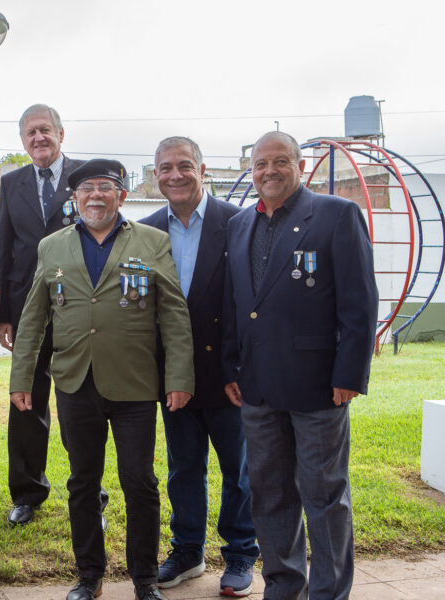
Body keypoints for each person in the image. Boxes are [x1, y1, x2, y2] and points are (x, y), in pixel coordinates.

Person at [9, 159, 194, 600]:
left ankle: (145, 580)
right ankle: (89, 576)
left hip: (134, 385)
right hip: (74, 383)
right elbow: (33, 318)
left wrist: (179, 376)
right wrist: (20, 377)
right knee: (82, 483)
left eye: (105, 188)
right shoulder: (51, 246)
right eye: (86, 189)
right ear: (74, 198)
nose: (95, 195)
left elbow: (173, 314)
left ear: (121, 196)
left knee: (140, 483)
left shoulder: (152, 242)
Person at [222, 131, 377, 600]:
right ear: (251, 172)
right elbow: (235, 303)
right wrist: (231, 366)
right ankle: (284, 584)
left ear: (300, 165)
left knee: (324, 495)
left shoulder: (336, 214)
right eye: (260, 164)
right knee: (269, 494)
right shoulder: (240, 223)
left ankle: (329, 592)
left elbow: (359, 302)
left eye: (279, 162)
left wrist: (350, 375)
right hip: (257, 388)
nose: (269, 171)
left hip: (319, 387)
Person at [140, 137, 258, 597]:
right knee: (183, 468)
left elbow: (249, 302)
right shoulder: (146, 230)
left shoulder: (239, 222)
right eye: (165, 167)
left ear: (203, 169)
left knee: (239, 470)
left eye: (184, 166)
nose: (175, 175)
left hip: (228, 375)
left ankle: (241, 553)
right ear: (155, 175)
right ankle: (188, 551)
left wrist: (239, 368)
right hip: (173, 377)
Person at [0, 104, 94, 527]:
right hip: (25, 309)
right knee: (25, 401)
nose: (39, 138)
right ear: (23, 140)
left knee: (81, 403)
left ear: (61, 133)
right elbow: (4, 249)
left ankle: (90, 491)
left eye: (45, 130)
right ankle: (27, 492)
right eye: (31, 132)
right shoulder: (11, 182)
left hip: (77, 308)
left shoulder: (86, 176)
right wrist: (3, 314)